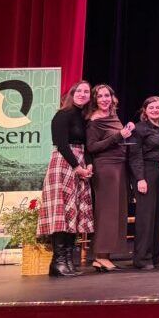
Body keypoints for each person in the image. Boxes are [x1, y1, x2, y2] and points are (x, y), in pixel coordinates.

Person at [39, 81, 94, 277]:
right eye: (79, 91)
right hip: (64, 163)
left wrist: (88, 166)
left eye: (86, 91)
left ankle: (68, 261)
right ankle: (58, 262)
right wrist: (77, 166)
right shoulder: (63, 114)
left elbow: (86, 146)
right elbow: (62, 144)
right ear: (72, 93)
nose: (82, 94)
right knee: (62, 211)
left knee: (74, 212)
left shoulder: (84, 117)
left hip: (79, 162)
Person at [85, 84, 134, 271]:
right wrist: (118, 136)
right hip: (106, 167)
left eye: (107, 95)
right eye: (100, 96)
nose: (104, 99)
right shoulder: (93, 120)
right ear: (95, 100)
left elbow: (118, 137)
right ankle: (100, 255)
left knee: (116, 211)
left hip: (119, 166)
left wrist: (126, 132)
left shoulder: (113, 116)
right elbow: (92, 147)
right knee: (106, 212)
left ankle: (105, 256)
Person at [128, 95, 159, 269]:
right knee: (146, 217)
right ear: (145, 110)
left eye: (158, 107)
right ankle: (141, 259)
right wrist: (140, 179)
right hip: (147, 172)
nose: (155, 110)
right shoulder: (139, 129)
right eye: (151, 107)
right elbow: (134, 156)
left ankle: (154, 257)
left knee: (158, 216)